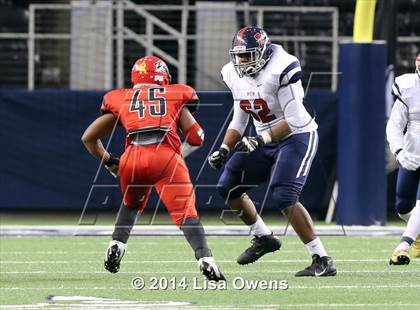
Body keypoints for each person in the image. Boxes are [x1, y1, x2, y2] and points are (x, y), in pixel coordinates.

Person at [81, 55, 225, 281]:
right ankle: (205, 258)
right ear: (162, 76)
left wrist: (110, 161)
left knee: (131, 204)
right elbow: (196, 138)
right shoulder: (175, 94)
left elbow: (88, 138)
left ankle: (117, 243)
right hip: (165, 157)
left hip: (132, 158)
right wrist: (177, 154)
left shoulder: (121, 98)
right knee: (186, 213)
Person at [208, 26, 336, 277]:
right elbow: (239, 118)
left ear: (264, 53)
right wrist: (224, 148)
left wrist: (261, 138)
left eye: (248, 56)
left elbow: (295, 119)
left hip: (296, 136)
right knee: (228, 186)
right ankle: (264, 237)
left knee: (284, 194)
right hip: (263, 138)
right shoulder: (233, 74)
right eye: (239, 56)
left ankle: (321, 258)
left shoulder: (282, 68)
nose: (242, 62)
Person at [387, 53, 420, 265]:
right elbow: (395, 125)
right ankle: (417, 232)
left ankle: (403, 246)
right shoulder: (407, 86)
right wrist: (399, 151)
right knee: (403, 205)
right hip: (413, 152)